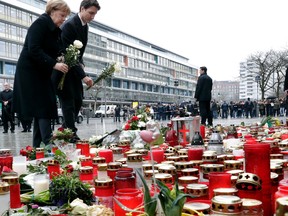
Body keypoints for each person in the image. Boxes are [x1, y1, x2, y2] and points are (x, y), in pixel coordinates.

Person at [13, 0, 70, 147]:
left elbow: (55, 48)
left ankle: (38, 148)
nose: (64, 19)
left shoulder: (55, 29)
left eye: (65, 16)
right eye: (62, 15)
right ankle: (48, 144)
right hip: (30, 72)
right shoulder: (40, 24)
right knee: (43, 106)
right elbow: (34, 49)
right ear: (52, 11)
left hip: (41, 71)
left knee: (42, 107)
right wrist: (54, 64)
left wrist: (63, 57)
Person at [52, 0, 100, 142]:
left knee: (78, 100)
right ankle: (71, 134)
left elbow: (79, 53)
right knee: (68, 102)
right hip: (63, 70)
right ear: (82, 9)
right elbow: (68, 52)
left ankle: (64, 130)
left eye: (95, 14)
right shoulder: (70, 25)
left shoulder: (85, 26)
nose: (93, 17)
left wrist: (82, 64)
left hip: (74, 69)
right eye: (91, 13)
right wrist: (83, 76)